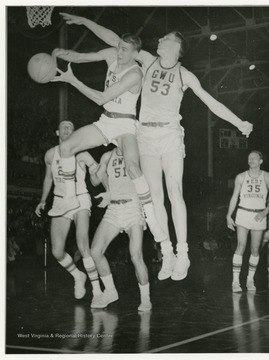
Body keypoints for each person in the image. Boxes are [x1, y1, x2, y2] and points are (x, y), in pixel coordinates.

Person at [57, 12, 253, 282]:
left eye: (166, 38)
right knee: (155, 197)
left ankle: (183, 253)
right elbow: (114, 40)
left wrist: (238, 121)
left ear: (177, 47)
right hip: (145, 135)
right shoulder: (147, 61)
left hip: (171, 135)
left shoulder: (185, 75)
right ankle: (167, 251)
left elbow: (211, 102)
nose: (160, 39)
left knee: (174, 190)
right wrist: (86, 22)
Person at [50, 33, 166, 245]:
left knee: (132, 167)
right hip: (106, 121)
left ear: (135, 54)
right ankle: (68, 199)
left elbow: (101, 98)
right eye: (119, 47)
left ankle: (152, 219)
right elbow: (82, 57)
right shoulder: (111, 55)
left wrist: (73, 80)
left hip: (125, 125)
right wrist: (61, 54)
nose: (119, 52)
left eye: (124, 50)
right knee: (66, 148)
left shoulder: (136, 74)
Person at [35, 120, 102, 301]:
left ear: (74, 133)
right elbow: (48, 178)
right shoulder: (50, 155)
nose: (67, 129)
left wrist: (100, 177)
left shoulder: (81, 152)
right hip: (60, 201)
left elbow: (97, 170)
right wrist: (42, 200)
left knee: (82, 243)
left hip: (80, 199)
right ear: (57, 132)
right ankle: (78, 276)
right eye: (63, 127)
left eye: (70, 127)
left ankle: (97, 291)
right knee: (57, 251)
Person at [89, 147, 152, 312]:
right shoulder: (107, 156)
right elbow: (95, 181)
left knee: (135, 255)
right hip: (114, 209)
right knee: (95, 251)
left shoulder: (136, 151)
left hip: (133, 206)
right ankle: (110, 291)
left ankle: (146, 299)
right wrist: (93, 171)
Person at [226, 150, 269, 292]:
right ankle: (235, 282)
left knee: (255, 249)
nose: (251, 159)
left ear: (261, 161)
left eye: (254, 157)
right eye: (249, 158)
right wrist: (229, 215)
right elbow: (234, 197)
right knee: (240, 246)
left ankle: (250, 280)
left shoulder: (267, 177)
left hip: (259, 216)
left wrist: (265, 212)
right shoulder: (241, 177)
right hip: (243, 213)